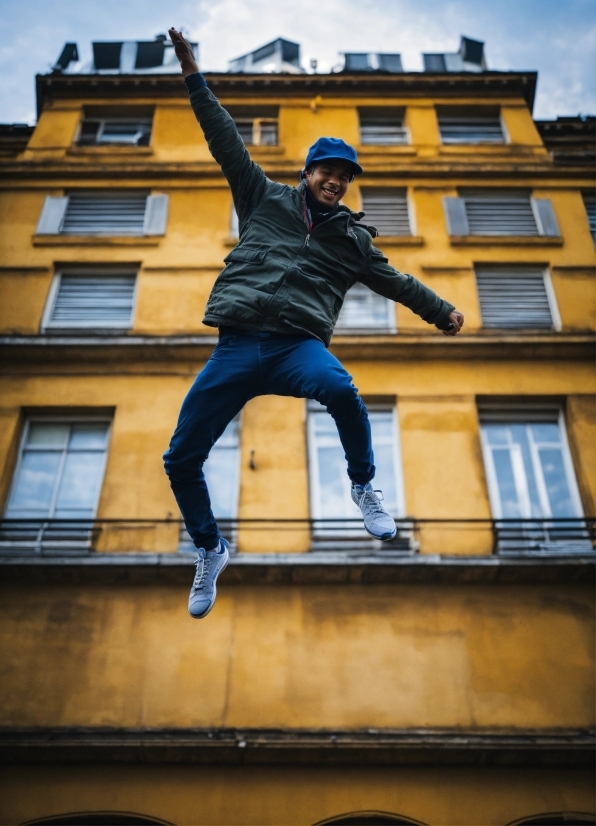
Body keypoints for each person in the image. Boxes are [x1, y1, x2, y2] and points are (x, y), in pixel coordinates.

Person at [164, 28, 464, 619]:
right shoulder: (261, 196)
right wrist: (191, 70)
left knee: (342, 389)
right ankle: (210, 549)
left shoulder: (353, 241)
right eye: (326, 170)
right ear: (308, 172)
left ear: (348, 184)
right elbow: (222, 135)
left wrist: (440, 311)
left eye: (344, 175)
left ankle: (363, 486)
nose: (335, 180)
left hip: (296, 347)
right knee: (180, 458)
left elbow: (396, 282)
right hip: (236, 346)